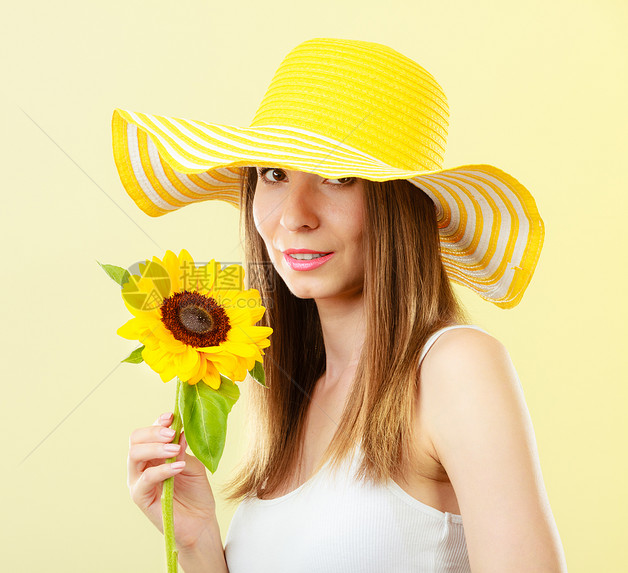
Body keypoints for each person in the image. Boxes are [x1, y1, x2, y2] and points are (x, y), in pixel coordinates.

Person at [118, 38, 567, 572]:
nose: (295, 215)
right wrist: (196, 543)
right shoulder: (291, 400)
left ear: (398, 208)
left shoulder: (453, 367)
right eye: (274, 174)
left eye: (337, 177)